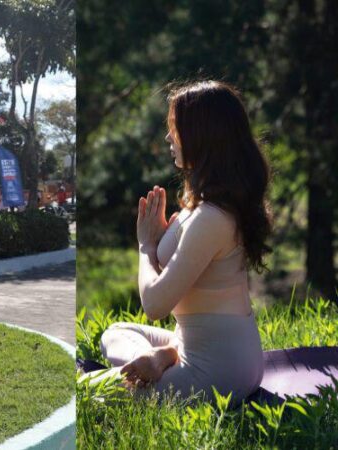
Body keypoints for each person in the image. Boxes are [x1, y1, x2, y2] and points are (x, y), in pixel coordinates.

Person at [86, 80, 272, 406]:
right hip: (197, 346)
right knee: (115, 333)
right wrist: (157, 243)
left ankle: (160, 362)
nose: (169, 138)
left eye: (175, 128)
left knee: (88, 389)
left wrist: (145, 247)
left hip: (218, 372)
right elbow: (174, 282)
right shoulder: (203, 205)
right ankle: (165, 355)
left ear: (202, 136)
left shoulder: (212, 218)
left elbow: (155, 305)